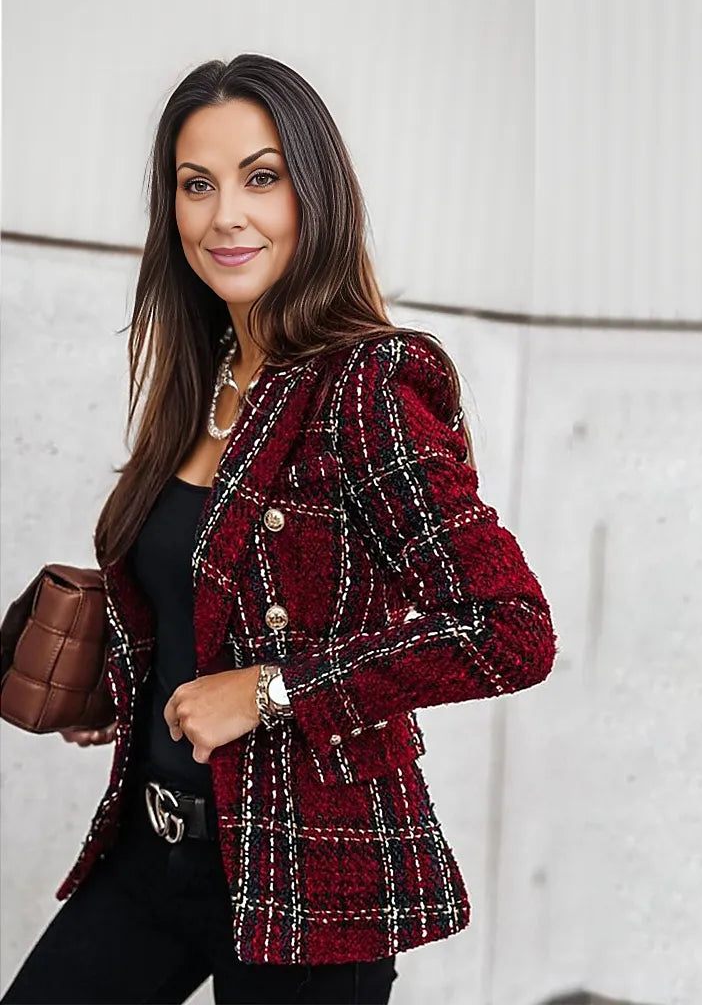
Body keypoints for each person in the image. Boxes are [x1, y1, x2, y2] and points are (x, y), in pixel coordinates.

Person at [0, 54, 558, 1004]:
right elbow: (206, 593)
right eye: (196, 185)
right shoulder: (203, 381)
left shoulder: (369, 387)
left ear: (316, 195)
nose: (227, 216)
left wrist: (266, 691)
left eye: (262, 179)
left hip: (307, 883)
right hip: (152, 846)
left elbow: (511, 630)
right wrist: (131, 679)